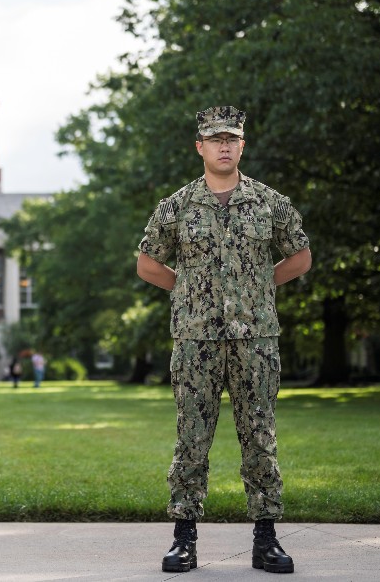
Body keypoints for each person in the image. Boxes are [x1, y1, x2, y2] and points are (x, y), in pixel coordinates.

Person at [136, 106, 311, 575]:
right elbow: (148, 263)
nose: (224, 146)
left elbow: (300, 256)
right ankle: (184, 539)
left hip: (256, 338)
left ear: (242, 146)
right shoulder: (176, 206)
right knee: (192, 438)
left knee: (260, 436)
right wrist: (192, 289)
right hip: (196, 339)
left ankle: (267, 538)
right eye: (215, 139)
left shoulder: (269, 202)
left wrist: (257, 286)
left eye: (231, 139)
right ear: (200, 147)